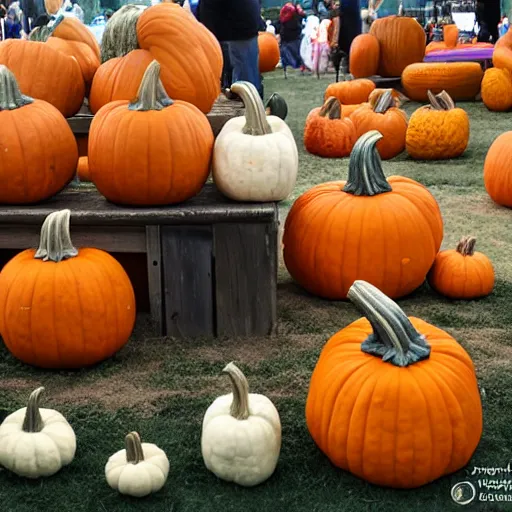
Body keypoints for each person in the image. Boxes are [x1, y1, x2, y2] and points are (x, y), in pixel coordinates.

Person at [197, 0, 263, 97]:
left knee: (244, 78)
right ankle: (250, 99)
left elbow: (207, 10)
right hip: (244, 26)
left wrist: (207, 35)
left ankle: (246, 101)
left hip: (236, 30)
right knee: (248, 73)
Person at [275, 2, 305, 78]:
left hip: (293, 41)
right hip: (288, 42)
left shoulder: (294, 18)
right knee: (290, 57)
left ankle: (297, 67)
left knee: (294, 57)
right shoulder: (284, 19)